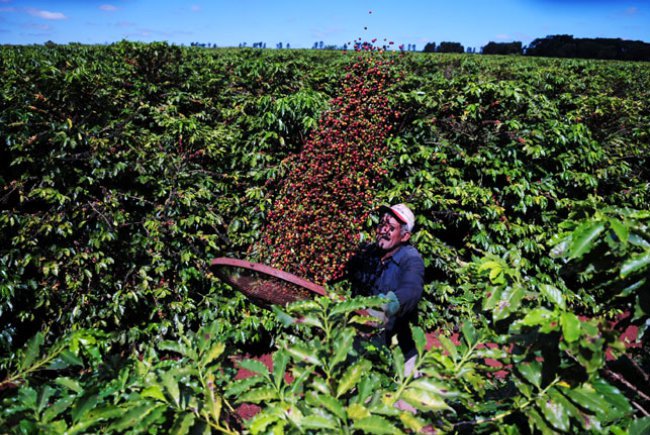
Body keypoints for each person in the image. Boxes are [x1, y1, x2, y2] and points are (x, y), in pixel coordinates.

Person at [346, 203, 425, 365]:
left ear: (405, 237)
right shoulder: (369, 253)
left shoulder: (411, 259)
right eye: (382, 224)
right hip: (364, 336)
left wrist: (385, 305)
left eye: (390, 227)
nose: (383, 230)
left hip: (398, 346)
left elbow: (412, 290)